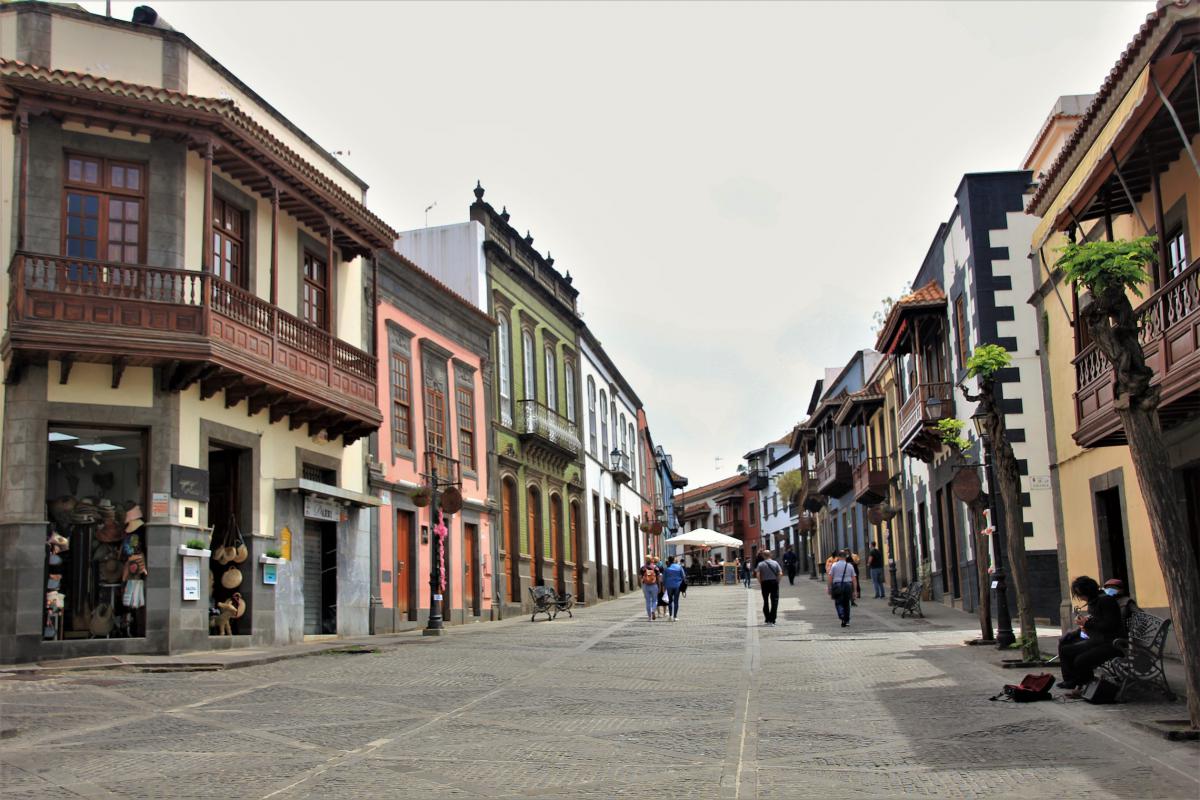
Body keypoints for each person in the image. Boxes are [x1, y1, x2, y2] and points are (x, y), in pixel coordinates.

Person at [1058, 575, 1126, 695]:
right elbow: (1096, 622)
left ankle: (1086, 687)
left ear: (1086, 592)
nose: (1079, 597)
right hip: (1097, 640)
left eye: (1079, 594)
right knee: (1065, 648)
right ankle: (1072, 681)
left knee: (1081, 660)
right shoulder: (1094, 601)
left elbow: (1110, 625)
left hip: (1111, 643)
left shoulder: (1106, 601)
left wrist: (1087, 623)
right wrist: (1082, 627)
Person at [828, 550, 858, 627]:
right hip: (848, 585)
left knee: (838, 602)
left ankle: (842, 615)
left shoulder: (834, 565)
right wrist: (855, 590)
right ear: (845, 557)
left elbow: (830, 577)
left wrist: (829, 588)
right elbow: (854, 579)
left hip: (837, 585)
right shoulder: (850, 566)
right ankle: (847, 620)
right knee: (846, 603)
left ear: (838, 557)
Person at [756, 550, 782, 626]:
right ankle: (772, 619)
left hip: (765, 583)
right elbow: (780, 573)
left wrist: (760, 582)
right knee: (774, 601)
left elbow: (758, 574)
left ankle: (767, 619)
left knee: (766, 601)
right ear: (770, 555)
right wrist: (778, 581)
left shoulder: (760, 564)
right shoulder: (775, 563)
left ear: (763, 556)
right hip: (774, 582)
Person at [662, 556, 686, 621]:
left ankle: (670, 616)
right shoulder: (679, 567)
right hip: (677, 586)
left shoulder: (667, 569)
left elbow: (663, 579)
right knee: (676, 601)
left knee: (670, 601)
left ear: (669, 561)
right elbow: (683, 576)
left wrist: (664, 587)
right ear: (674, 560)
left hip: (669, 586)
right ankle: (675, 617)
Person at [639, 556, 661, 622]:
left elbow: (640, 577)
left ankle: (649, 617)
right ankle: (653, 610)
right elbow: (658, 578)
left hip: (646, 586)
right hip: (654, 585)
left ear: (645, 560)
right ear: (651, 560)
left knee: (648, 601)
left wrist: (642, 585)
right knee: (655, 600)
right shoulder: (655, 567)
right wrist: (659, 586)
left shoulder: (643, 568)